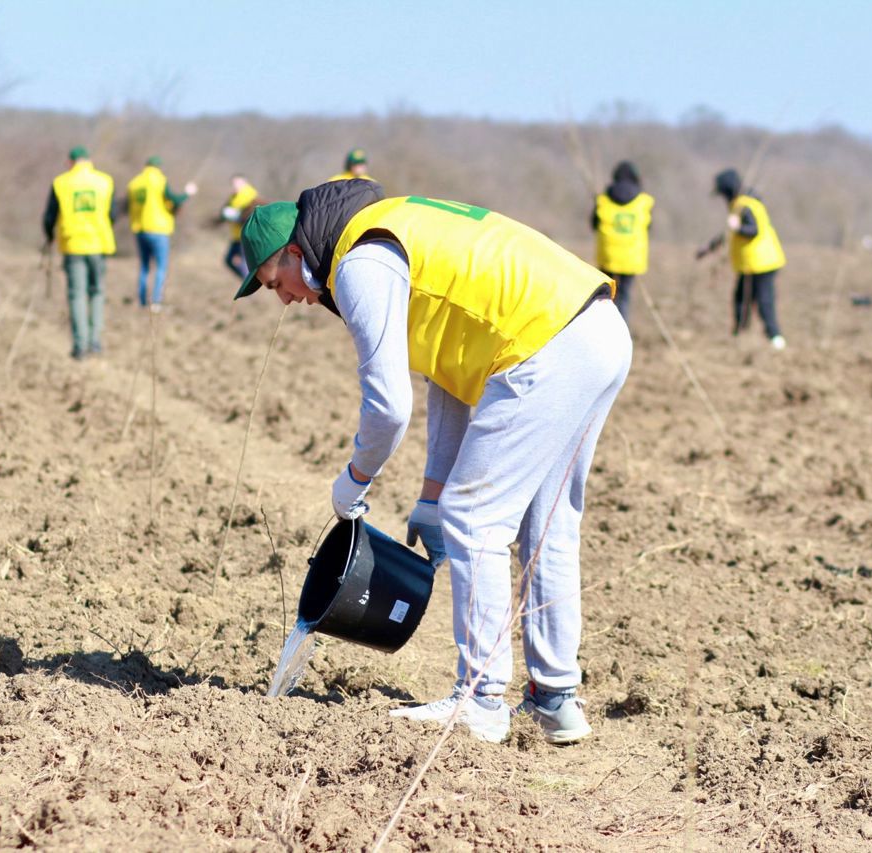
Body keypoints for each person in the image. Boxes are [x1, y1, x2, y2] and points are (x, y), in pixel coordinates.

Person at [235, 181, 632, 745]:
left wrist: (355, 479)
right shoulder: (392, 230)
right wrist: (429, 495)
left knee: (474, 518)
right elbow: (454, 371)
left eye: (277, 283)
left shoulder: (360, 261)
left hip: (546, 344)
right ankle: (556, 699)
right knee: (547, 525)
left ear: (297, 254)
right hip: (596, 328)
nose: (286, 300)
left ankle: (481, 700)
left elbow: (389, 407)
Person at [697, 168, 787, 349]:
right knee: (740, 300)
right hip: (750, 263)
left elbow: (753, 230)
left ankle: (776, 338)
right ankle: (740, 335)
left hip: (762, 262)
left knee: (764, 301)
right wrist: (709, 248)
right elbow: (728, 233)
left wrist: (738, 228)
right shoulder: (740, 204)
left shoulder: (745, 205)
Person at [43, 146, 116, 359]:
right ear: (89, 160)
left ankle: (80, 345)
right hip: (98, 245)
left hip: (73, 245)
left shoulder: (61, 183)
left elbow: (49, 217)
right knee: (97, 292)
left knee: (76, 295)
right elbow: (111, 214)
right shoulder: (105, 181)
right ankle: (95, 341)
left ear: (70, 162)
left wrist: (50, 236)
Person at [127, 156, 197, 311]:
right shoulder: (159, 180)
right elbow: (175, 200)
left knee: (144, 267)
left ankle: (142, 301)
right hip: (158, 229)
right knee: (160, 267)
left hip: (139, 229)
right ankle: (156, 302)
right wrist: (188, 193)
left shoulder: (134, 183)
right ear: (158, 167)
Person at [591, 161, 653, 322]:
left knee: (605, 295)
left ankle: (603, 325)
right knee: (624, 295)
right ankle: (621, 327)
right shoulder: (643, 201)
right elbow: (648, 226)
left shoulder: (603, 199)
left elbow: (594, 224)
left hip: (608, 255)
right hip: (632, 257)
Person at [219, 174, 263, 279]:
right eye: (233, 183)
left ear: (245, 182)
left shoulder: (251, 195)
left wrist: (238, 216)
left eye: (238, 183)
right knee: (229, 260)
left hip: (247, 235)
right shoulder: (233, 197)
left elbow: (253, 213)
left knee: (244, 262)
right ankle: (248, 281)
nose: (235, 185)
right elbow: (224, 211)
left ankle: (249, 284)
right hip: (236, 236)